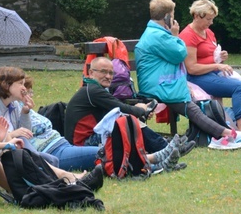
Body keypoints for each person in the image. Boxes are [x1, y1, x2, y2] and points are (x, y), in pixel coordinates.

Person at [136, 0, 241, 141]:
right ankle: (224, 132)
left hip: (159, 82)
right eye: (172, 15)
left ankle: (220, 131)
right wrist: (175, 35)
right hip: (158, 85)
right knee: (190, 106)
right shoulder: (158, 35)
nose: (174, 19)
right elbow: (180, 54)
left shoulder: (155, 33)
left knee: (192, 105)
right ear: (167, 17)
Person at [64, 56, 193, 171]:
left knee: (126, 121)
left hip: (88, 139)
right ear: (91, 73)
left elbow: (117, 108)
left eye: (111, 73)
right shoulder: (93, 91)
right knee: (127, 122)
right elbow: (121, 107)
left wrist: (138, 110)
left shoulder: (92, 89)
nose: (108, 76)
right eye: (103, 72)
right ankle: (165, 148)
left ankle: (164, 155)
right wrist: (141, 110)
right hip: (84, 145)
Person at [179, 0, 241, 133]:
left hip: (212, 73)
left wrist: (220, 58)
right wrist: (217, 66)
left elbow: (210, 56)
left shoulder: (208, 32)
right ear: (197, 16)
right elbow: (191, 68)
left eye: (212, 19)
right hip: (196, 78)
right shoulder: (188, 36)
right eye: (208, 19)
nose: (211, 22)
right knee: (239, 86)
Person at [0, 67, 100, 171]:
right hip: (26, 152)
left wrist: (25, 112)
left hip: (50, 146)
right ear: (6, 84)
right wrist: (14, 134)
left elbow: (26, 133)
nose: (24, 88)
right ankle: (52, 170)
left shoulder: (13, 105)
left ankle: (47, 168)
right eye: (21, 84)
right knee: (102, 153)